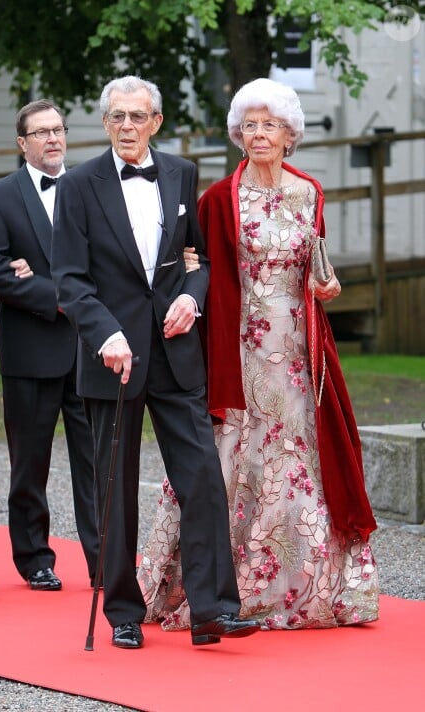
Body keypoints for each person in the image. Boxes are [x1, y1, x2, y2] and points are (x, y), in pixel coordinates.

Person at [137, 77, 380, 630]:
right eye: (250, 125)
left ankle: (308, 589)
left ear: (289, 134)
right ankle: (220, 589)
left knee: (299, 462)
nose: (259, 134)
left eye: (270, 125)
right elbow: (198, 270)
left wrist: (325, 286)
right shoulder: (219, 198)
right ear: (238, 134)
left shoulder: (309, 192)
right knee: (231, 460)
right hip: (238, 347)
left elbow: (316, 265)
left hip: (296, 351)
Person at [51, 75, 260, 649]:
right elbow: (69, 280)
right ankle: (122, 608)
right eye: (116, 117)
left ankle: (213, 608)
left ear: (156, 123)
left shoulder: (181, 174)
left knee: (201, 478)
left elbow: (199, 260)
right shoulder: (77, 186)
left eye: (136, 117)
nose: (126, 126)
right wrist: (104, 334)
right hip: (111, 357)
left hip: (175, 352)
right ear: (105, 123)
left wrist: (193, 297)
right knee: (113, 489)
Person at [0, 99, 99, 591]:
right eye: (40, 132)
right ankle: (34, 558)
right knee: (30, 463)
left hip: (91, 351)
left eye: (58, 129)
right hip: (30, 350)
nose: (53, 139)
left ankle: (103, 560)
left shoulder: (91, 188)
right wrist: (61, 298)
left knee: (97, 464)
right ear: (21, 142)